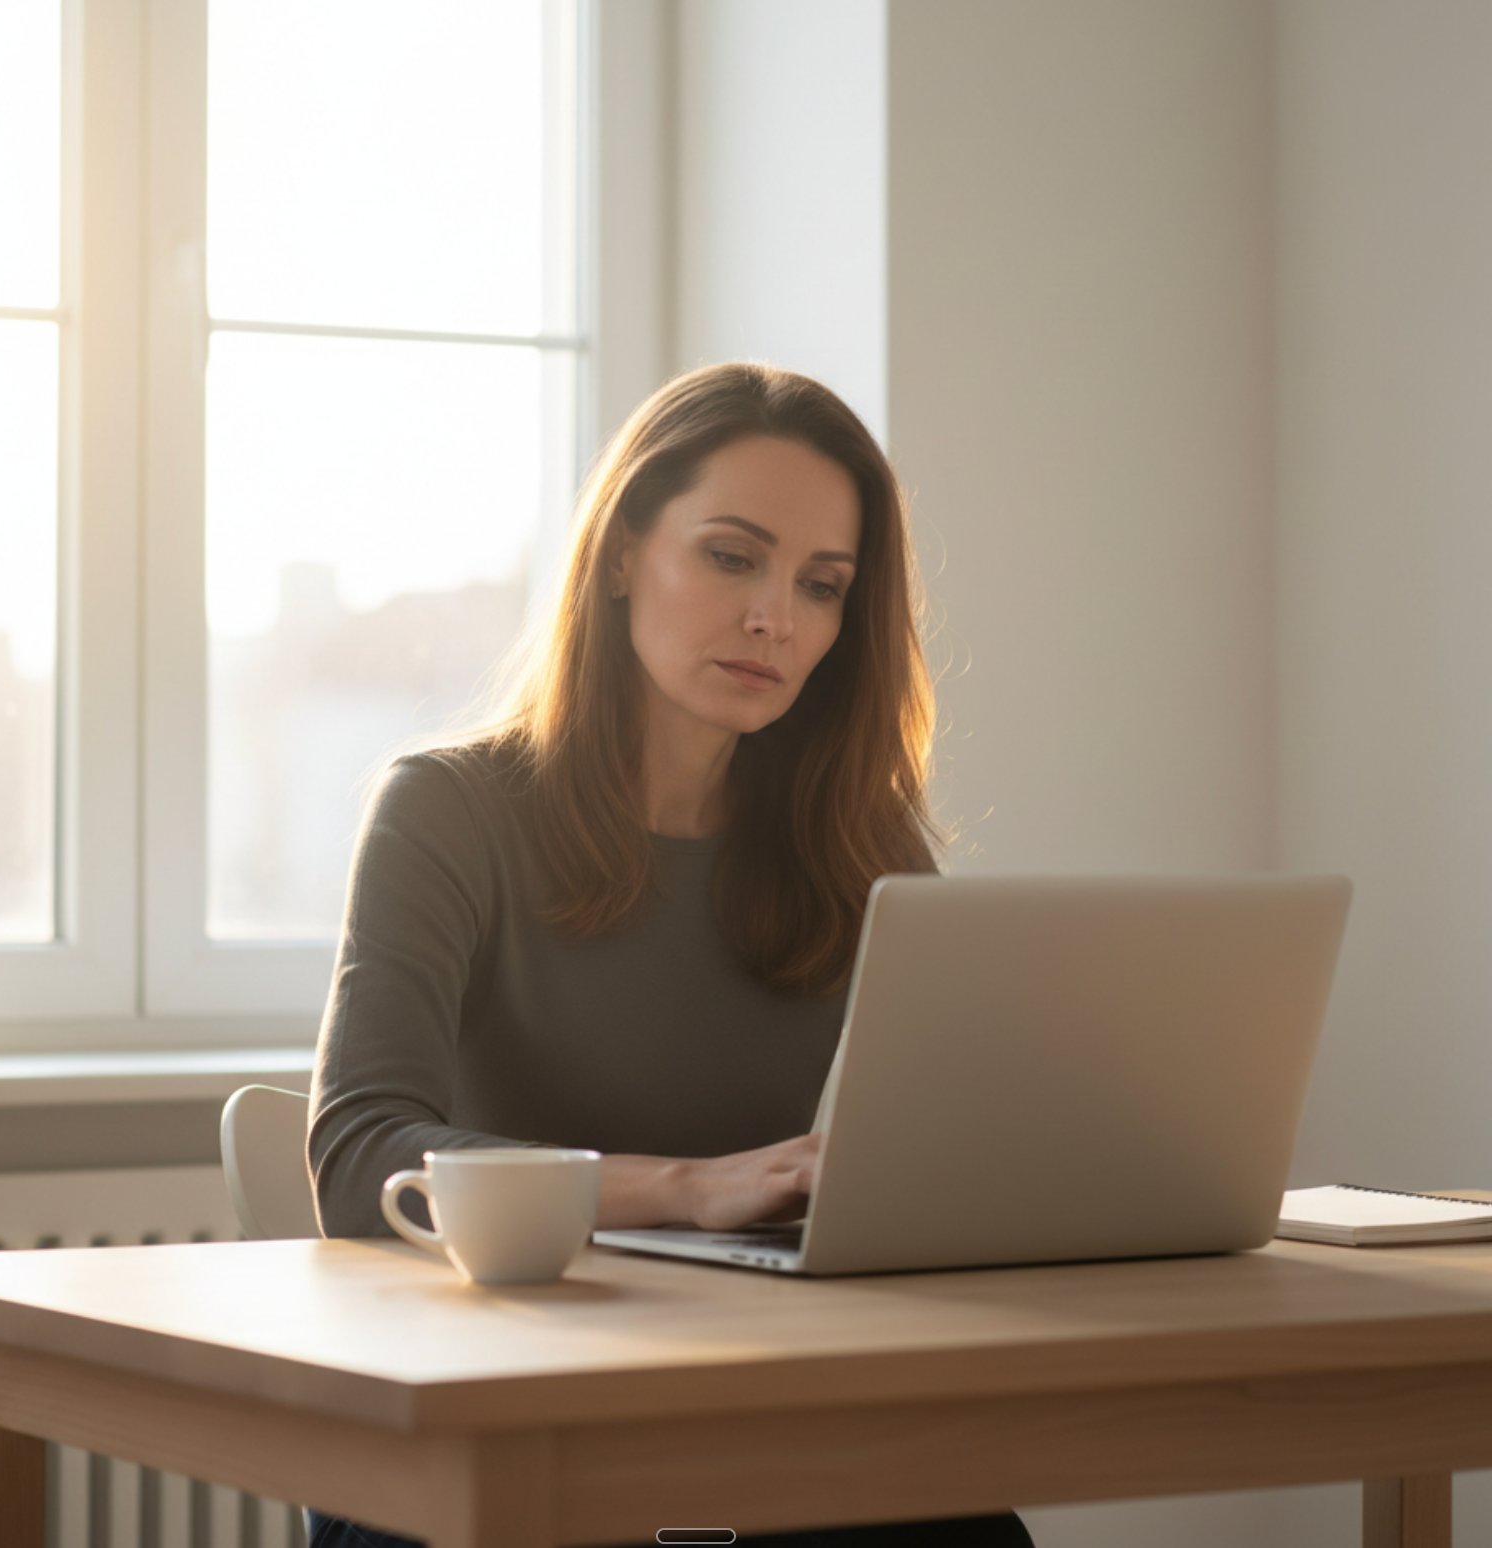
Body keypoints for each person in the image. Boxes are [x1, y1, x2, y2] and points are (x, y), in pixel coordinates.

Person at [305, 362, 1035, 1548]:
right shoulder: (447, 809)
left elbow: (915, 1136)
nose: (774, 619)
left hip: (782, 1405)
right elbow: (359, 1158)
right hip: (503, 1417)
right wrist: (688, 1190)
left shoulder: (863, 845)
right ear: (618, 556)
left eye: (821, 585)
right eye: (731, 556)